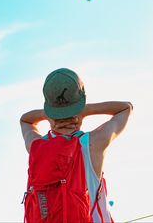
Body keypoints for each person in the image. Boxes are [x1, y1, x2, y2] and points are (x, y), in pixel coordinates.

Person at [20, 68, 133, 223]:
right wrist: (87, 110)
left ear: (49, 110)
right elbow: (126, 108)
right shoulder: (93, 143)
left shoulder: (34, 146)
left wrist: (50, 114)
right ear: (80, 105)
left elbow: (25, 120)